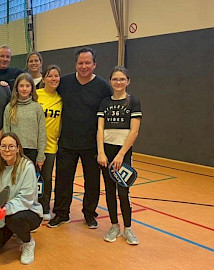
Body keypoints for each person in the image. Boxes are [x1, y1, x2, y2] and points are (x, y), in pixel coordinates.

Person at [48, 47, 112, 229]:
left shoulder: (102, 87)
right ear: (76, 64)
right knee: (63, 181)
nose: (84, 66)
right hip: (67, 143)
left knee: (92, 182)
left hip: (92, 145)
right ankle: (61, 214)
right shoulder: (65, 82)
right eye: (80, 63)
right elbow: (44, 88)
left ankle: (90, 214)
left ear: (94, 64)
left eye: (87, 63)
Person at [0, 133, 43, 265]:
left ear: (18, 148)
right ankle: (15, 231)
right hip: (3, 215)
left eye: (11, 146)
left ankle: (28, 242)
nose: (7, 150)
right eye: (4, 146)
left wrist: (5, 209)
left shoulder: (27, 167)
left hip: (28, 212)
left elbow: (26, 198)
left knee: (15, 219)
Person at [97, 66, 142, 245]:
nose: (118, 82)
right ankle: (114, 225)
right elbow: (100, 128)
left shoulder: (133, 102)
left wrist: (121, 155)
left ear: (128, 81)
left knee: (123, 191)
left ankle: (128, 228)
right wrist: (101, 151)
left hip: (123, 152)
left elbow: (134, 131)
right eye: (115, 79)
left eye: (122, 79)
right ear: (110, 81)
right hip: (106, 152)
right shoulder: (104, 102)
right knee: (109, 190)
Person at [3, 73, 46, 169]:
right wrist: (7, 151)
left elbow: (41, 134)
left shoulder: (37, 108)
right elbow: (6, 132)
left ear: (32, 88)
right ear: (16, 88)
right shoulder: (9, 107)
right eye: (21, 86)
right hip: (14, 151)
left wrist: (40, 156)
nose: (24, 89)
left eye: (27, 86)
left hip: (32, 152)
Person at [36, 65, 62, 220]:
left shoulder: (61, 98)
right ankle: (31, 206)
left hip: (50, 146)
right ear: (43, 78)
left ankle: (45, 207)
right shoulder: (36, 95)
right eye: (50, 75)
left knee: (46, 179)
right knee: (30, 178)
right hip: (33, 145)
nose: (53, 78)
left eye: (56, 75)